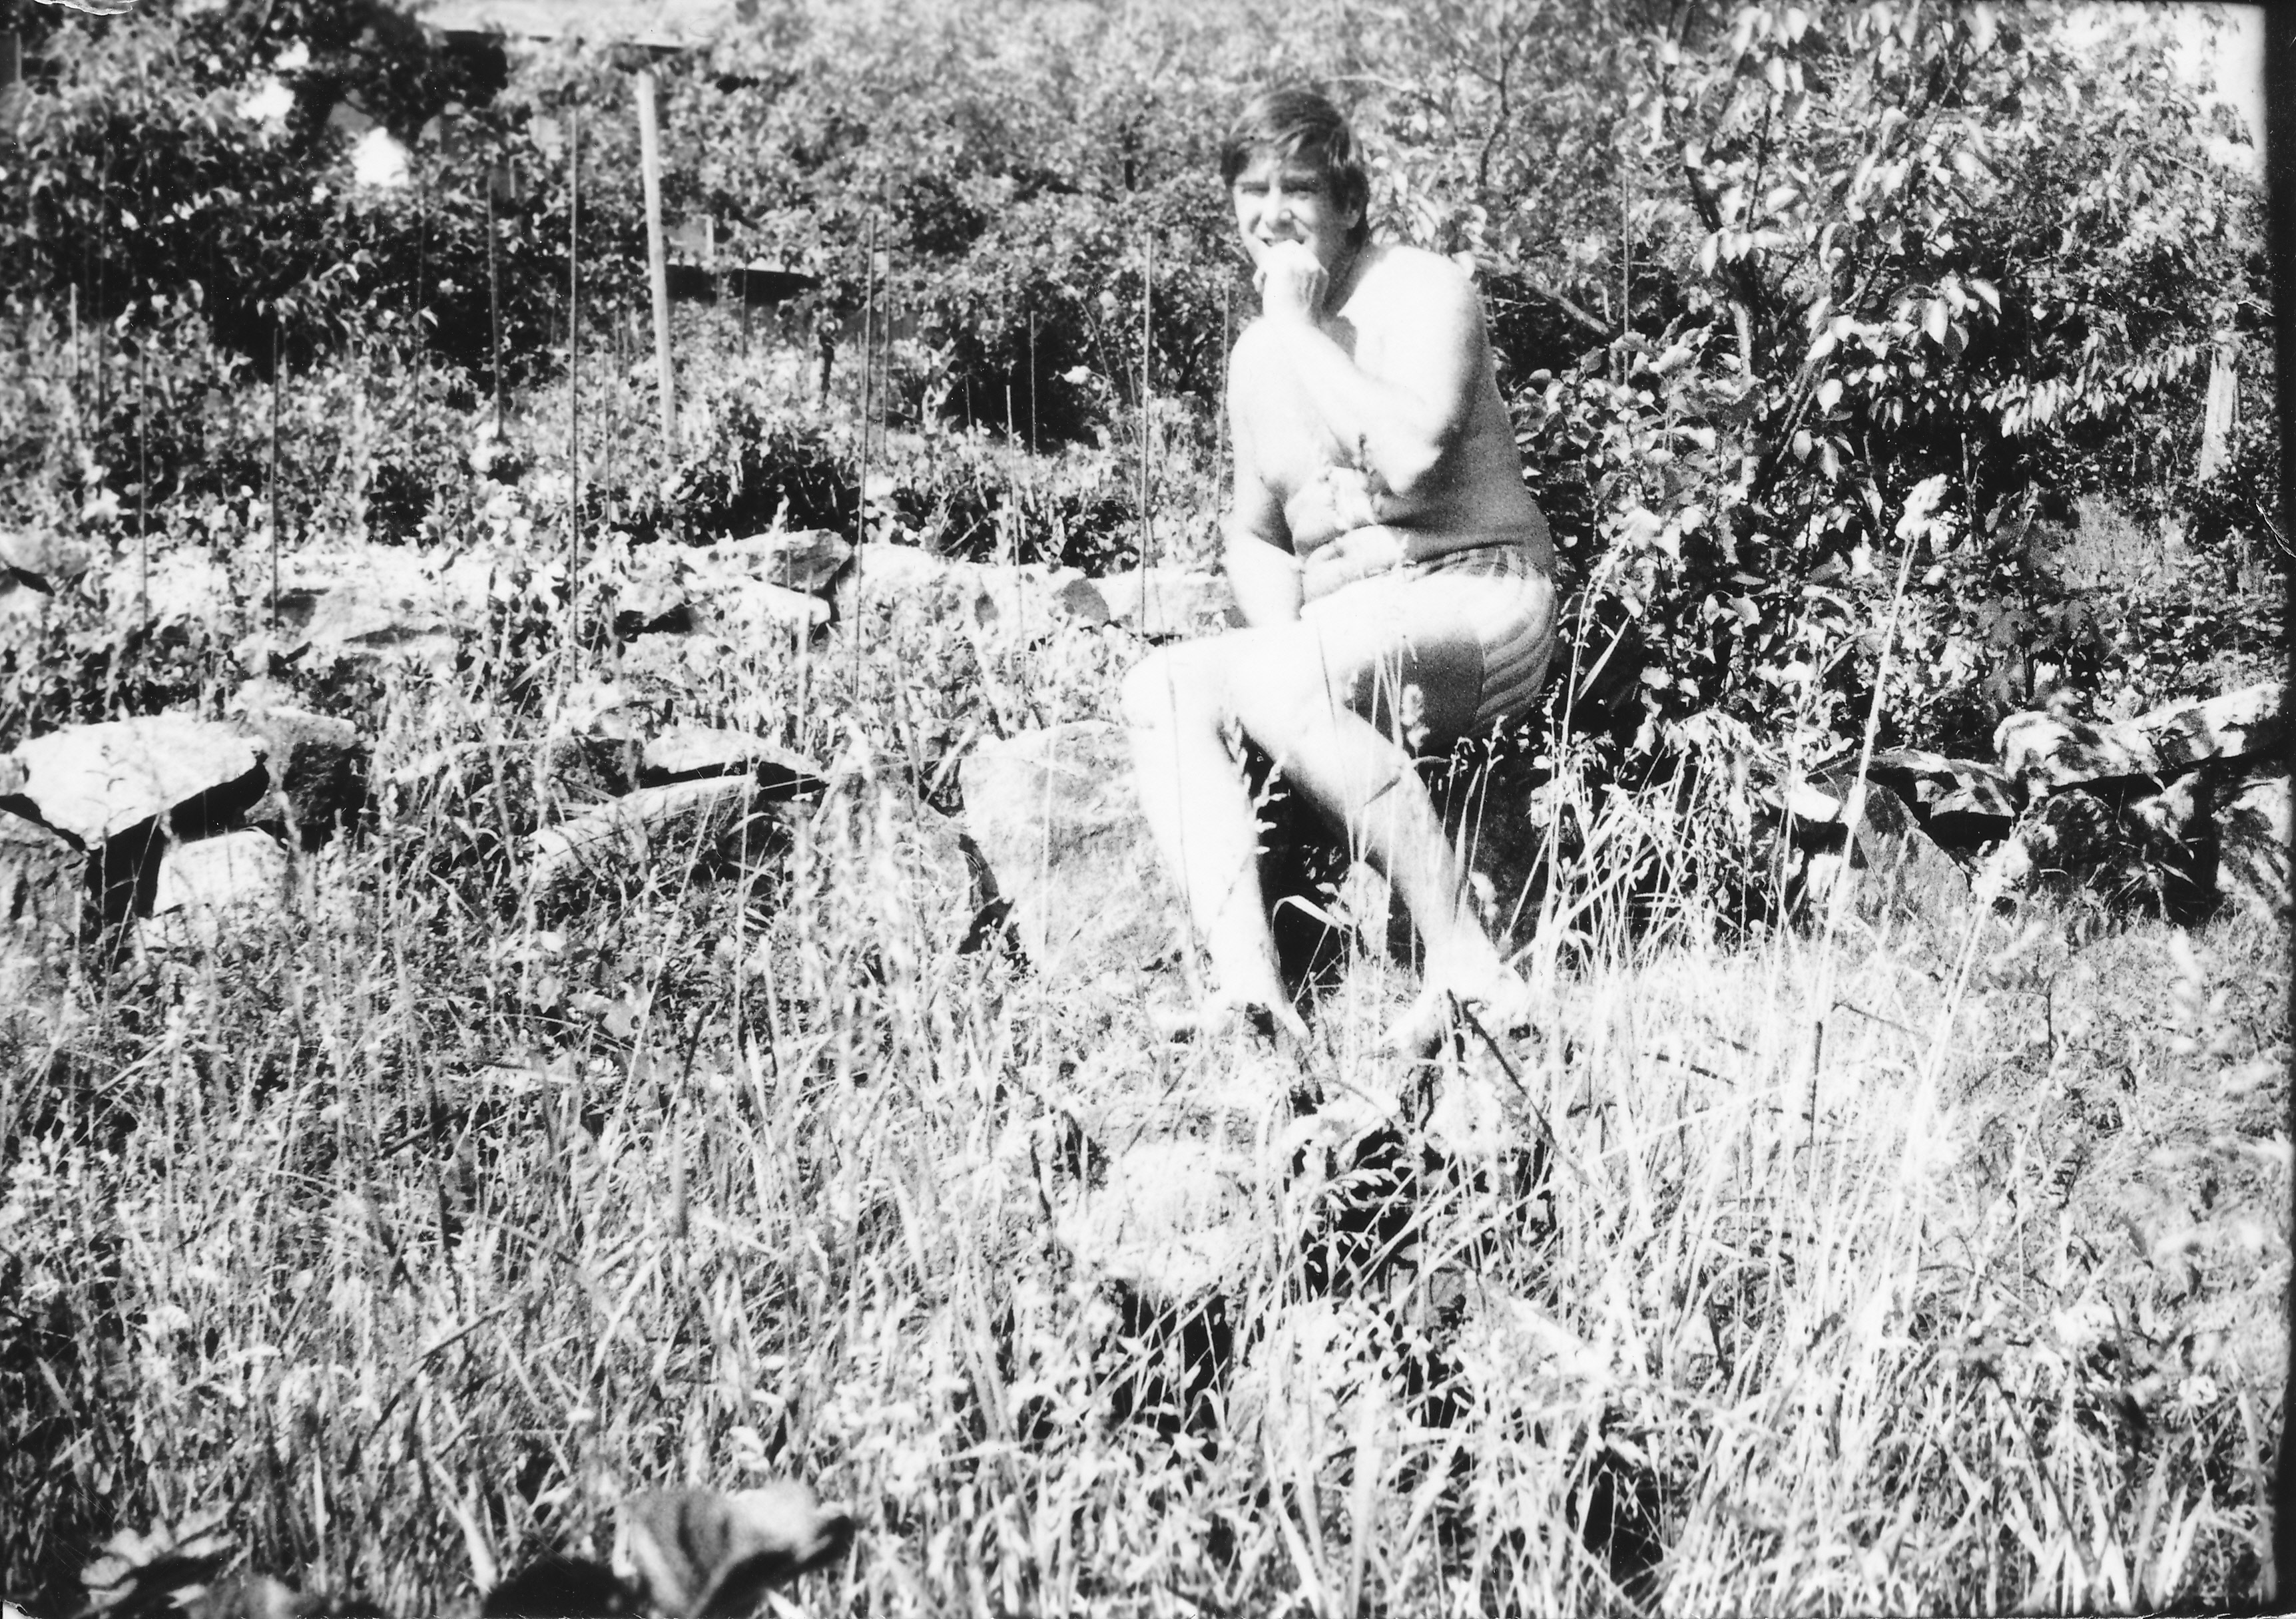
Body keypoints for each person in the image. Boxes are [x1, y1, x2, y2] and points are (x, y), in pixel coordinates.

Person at [1122, 85, 1558, 1056]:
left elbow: (1410, 461)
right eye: (1252, 191)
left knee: (1287, 677)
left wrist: (1298, 329)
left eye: (1299, 190)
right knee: (1161, 685)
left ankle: (1471, 972)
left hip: (1478, 597)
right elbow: (1257, 535)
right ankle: (1250, 995)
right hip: (1343, 634)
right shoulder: (1254, 358)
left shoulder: (1422, 289)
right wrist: (1280, 652)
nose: (1272, 214)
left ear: (1351, 204)